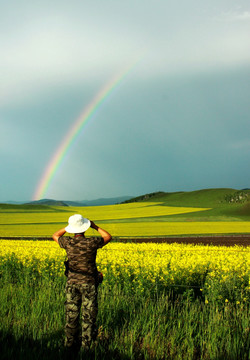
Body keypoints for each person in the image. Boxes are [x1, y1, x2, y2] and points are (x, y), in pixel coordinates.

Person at [52, 214, 112, 352]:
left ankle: (69, 345)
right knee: (88, 316)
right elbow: (108, 237)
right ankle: (86, 347)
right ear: (84, 228)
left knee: (71, 314)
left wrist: (67, 227)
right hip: (89, 284)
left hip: (72, 284)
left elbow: (55, 235)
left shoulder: (67, 242)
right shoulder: (91, 242)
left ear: (72, 229)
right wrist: (94, 226)